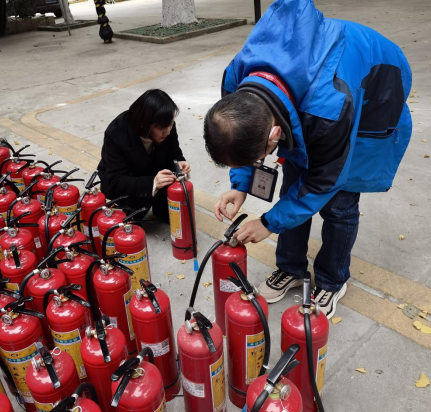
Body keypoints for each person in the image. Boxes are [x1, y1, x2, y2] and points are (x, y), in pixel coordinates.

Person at [203, 0, 412, 319]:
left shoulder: (330, 107)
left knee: (339, 201)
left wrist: (268, 224)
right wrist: (240, 185)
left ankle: (332, 279)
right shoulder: (235, 82)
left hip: (377, 87)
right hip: (309, 90)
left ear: (275, 135)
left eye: (262, 152)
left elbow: (323, 180)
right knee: (293, 184)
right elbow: (240, 139)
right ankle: (291, 267)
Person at [98, 89, 190, 222]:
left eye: (170, 125)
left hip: (153, 170)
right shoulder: (116, 133)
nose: (167, 132)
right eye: (162, 129)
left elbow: (173, 150)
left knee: (170, 211)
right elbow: (116, 180)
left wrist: (179, 161)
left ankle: (159, 206)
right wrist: (152, 183)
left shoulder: (165, 123)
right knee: (133, 221)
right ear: (144, 125)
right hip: (127, 182)